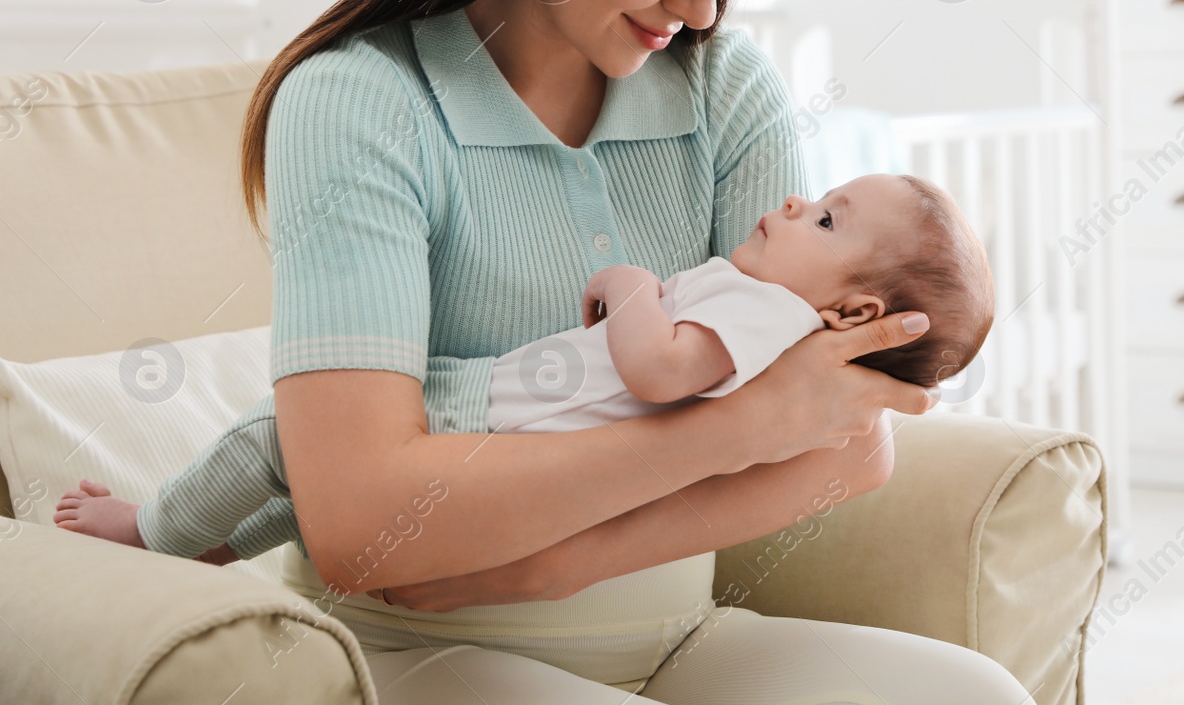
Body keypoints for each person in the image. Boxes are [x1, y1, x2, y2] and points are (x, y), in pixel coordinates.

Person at [73, 0, 1035, 703]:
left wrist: (558, 560)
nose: (704, 5)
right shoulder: (359, 102)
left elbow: (848, 450)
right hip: (420, 643)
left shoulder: (726, 92)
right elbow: (358, 518)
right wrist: (739, 430)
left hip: (671, 626)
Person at [54, 172, 996, 583]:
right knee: (315, 487)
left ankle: (154, 529)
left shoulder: (770, 314)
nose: (797, 203)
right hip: (512, 412)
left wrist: (630, 285)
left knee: (282, 439)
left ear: (856, 316)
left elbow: (663, 370)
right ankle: (216, 546)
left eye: (828, 220)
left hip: (509, 428)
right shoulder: (775, 311)